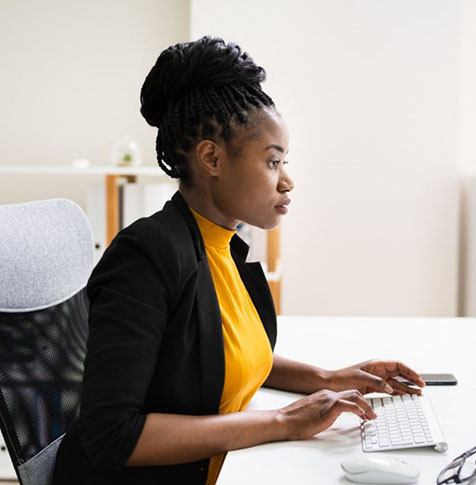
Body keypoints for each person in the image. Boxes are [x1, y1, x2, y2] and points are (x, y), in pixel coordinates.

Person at [53, 36, 425, 485]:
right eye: (272, 162)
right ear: (211, 157)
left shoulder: (223, 246)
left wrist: (329, 377)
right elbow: (110, 434)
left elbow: (222, 356)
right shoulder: (147, 255)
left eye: (285, 161)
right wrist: (285, 421)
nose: (287, 181)